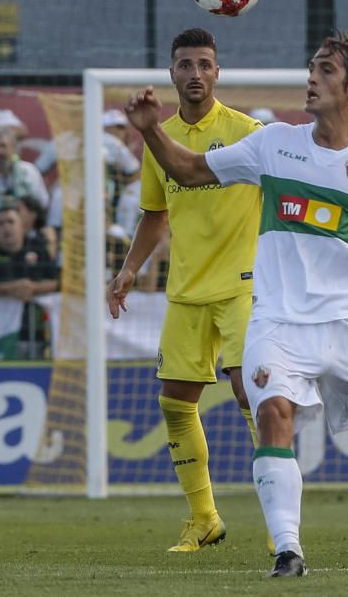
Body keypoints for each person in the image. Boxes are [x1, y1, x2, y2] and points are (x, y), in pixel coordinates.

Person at [121, 29, 348, 577]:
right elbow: (189, 169)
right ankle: (287, 550)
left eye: (326, 70)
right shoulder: (274, 143)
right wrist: (150, 131)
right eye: (312, 67)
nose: (312, 78)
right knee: (273, 412)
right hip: (275, 320)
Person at [106, 28, 266, 554]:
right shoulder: (159, 136)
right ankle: (204, 519)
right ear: (171, 73)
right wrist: (129, 269)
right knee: (175, 403)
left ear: (218, 72)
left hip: (244, 286)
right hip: (187, 290)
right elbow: (156, 214)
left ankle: (279, 526)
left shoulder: (249, 133)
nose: (194, 73)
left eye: (204, 64)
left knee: (253, 394)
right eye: (184, 65)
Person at [0, 205, 59, 358]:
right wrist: (9, 289)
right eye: (0, 223)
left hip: (33, 328)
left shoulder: (36, 246)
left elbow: (55, 282)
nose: (6, 227)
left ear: (22, 226)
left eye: (10, 222)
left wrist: (31, 287)